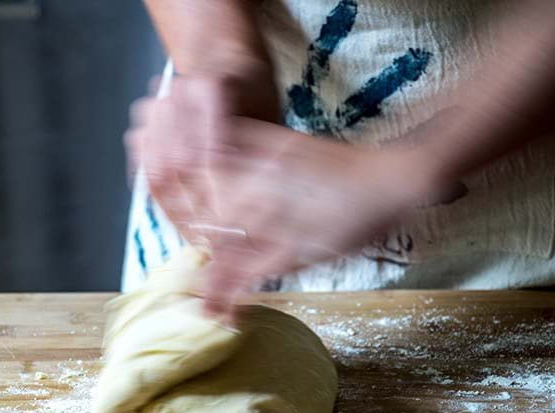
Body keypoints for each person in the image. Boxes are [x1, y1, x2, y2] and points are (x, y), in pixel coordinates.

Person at [122, 0, 555, 324]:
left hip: (512, 213)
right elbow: (217, 48)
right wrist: (220, 61)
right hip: (237, 194)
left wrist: (410, 169)